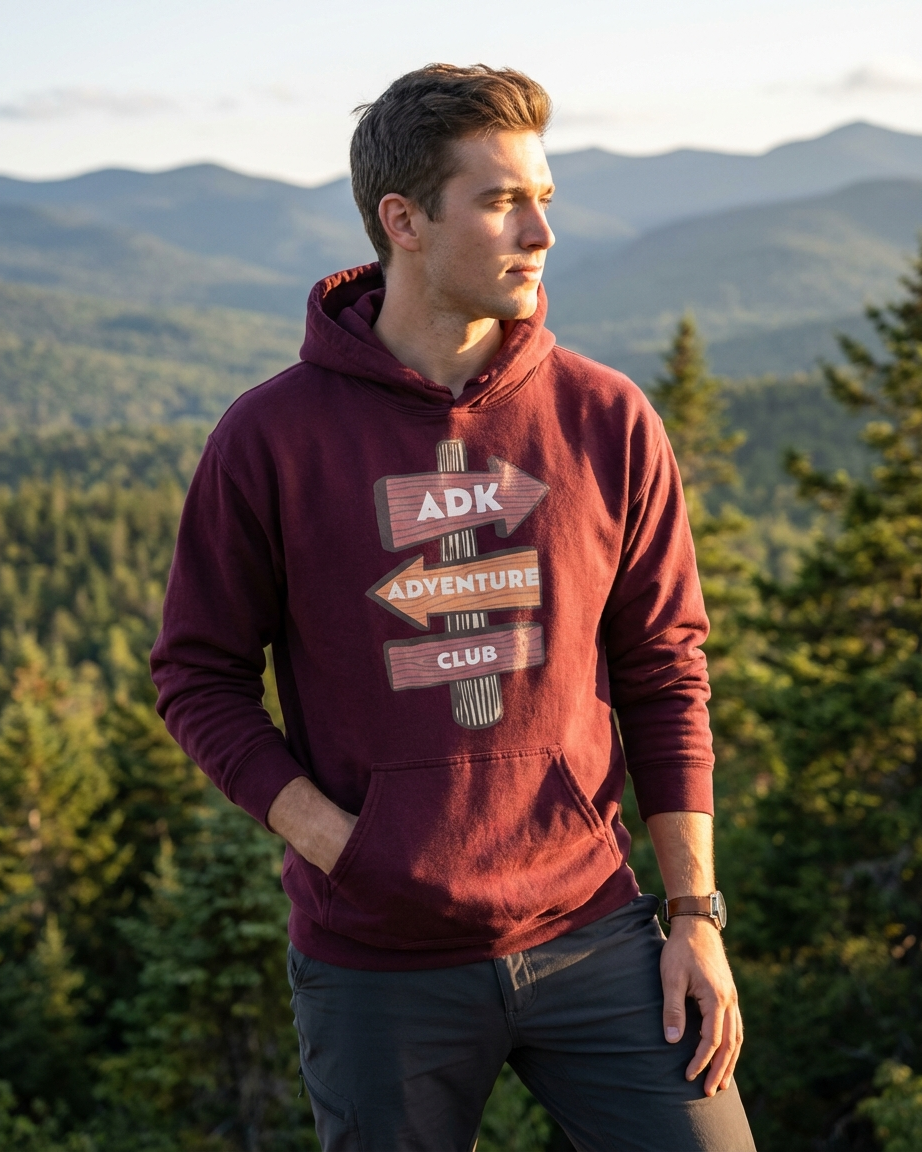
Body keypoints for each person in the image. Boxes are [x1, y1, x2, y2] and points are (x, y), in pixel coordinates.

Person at [151, 63, 755, 1152]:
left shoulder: (606, 420)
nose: (541, 233)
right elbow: (196, 674)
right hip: (378, 964)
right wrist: (340, 843)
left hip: (595, 934)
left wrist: (695, 919)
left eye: (546, 200)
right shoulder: (271, 439)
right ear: (404, 221)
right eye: (500, 201)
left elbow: (666, 670)